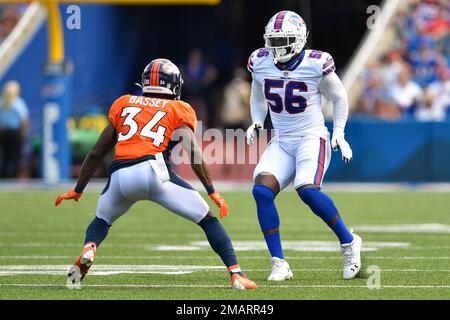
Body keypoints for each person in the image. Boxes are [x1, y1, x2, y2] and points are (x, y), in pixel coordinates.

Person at [55, 58, 256, 290]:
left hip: (120, 176)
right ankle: (236, 274)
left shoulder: (124, 103)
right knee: (208, 219)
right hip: (154, 172)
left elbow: (96, 153)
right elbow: (193, 152)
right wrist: (212, 191)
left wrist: (77, 189)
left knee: (101, 221)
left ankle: (90, 247)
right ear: (174, 85)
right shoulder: (178, 108)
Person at [246, 11, 362, 281]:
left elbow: (340, 97)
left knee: (307, 190)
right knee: (261, 191)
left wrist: (339, 132)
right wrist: (256, 121)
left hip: (312, 137)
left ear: (299, 40)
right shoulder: (260, 61)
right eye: (272, 41)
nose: (277, 47)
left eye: (283, 40)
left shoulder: (315, 63)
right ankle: (279, 263)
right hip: (282, 139)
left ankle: (348, 242)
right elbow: (257, 94)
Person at [0, 80, 29, 178]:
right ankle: (13, 177)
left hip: (4, 132)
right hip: (16, 133)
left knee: (5, 156)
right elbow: (24, 120)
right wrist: (24, 132)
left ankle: (3, 177)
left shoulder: (2, 103)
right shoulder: (19, 103)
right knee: (16, 156)